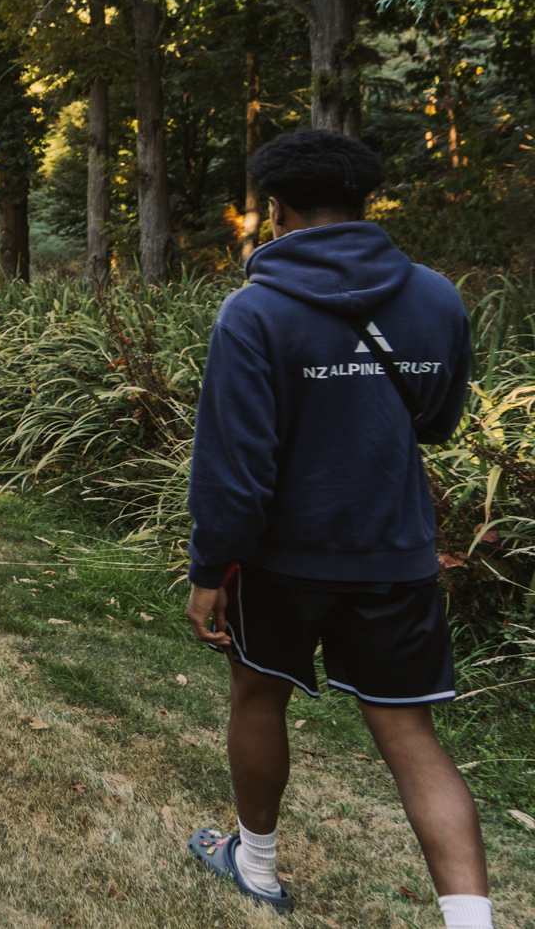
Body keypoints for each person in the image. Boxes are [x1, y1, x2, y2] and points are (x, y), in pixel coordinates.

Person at [183, 130, 487, 928]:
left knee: (257, 695)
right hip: (394, 550)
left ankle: (255, 864)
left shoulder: (253, 312)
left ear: (274, 209)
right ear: (363, 204)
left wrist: (210, 569)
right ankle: (473, 922)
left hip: (282, 560)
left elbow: (235, 468)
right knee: (412, 738)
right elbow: (440, 418)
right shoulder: (436, 298)